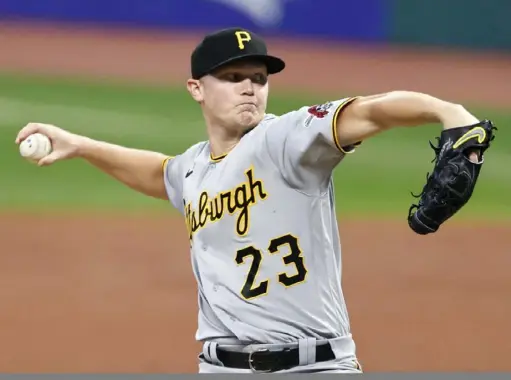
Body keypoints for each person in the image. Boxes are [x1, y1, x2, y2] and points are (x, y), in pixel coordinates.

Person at [15, 27, 490, 373]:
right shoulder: (194, 169)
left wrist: (447, 111)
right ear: (196, 89)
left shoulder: (286, 138)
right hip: (220, 369)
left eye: (259, 78)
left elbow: (369, 111)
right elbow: (160, 174)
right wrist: (80, 145)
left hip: (313, 367)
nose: (250, 87)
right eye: (233, 76)